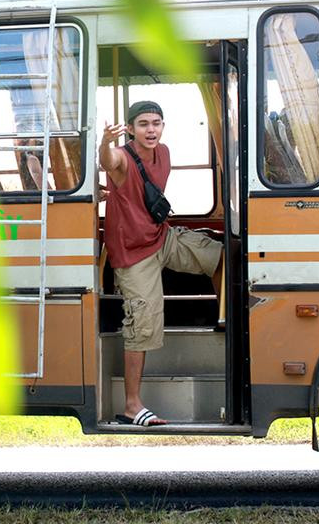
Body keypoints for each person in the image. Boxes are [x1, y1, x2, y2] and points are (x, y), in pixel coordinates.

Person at [100, 100, 223, 427]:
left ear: (163, 126)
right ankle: (132, 405)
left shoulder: (164, 152)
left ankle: (224, 320)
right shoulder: (123, 158)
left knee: (220, 254)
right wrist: (104, 142)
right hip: (132, 253)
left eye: (156, 123)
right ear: (130, 129)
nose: (150, 129)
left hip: (160, 237)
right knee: (142, 327)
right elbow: (108, 161)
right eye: (143, 124)